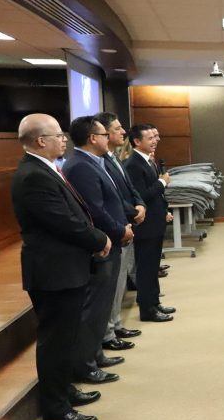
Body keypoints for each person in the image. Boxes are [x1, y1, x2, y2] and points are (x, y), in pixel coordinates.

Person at [11, 114, 110, 420]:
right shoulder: (33, 176)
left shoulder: (45, 169)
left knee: (66, 338)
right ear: (41, 141)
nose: (64, 139)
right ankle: (56, 411)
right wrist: (99, 239)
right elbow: (63, 222)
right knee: (55, 341)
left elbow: (72, 215)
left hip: (65, 268)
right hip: (54, 272)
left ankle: (64, 391)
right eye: (58, 135)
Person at [62, 117, 132, 384]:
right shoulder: (81, 166)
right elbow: (95, 210)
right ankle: (86, 365)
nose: (109, 138)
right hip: (102, 244)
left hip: (111, 239)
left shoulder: (94, 162)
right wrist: (119, 230)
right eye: (104, 134)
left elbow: (111, 200)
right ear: (93, 138)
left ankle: (96, 354)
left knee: (102, 306)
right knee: (94, 308)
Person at [93, 113, 146, 348]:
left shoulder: (113, 157)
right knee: (112, 284)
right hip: (115, 228)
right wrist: (133, 211)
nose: (123, 132)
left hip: (126, 223)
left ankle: (115, 324)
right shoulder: (99, 162)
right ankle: (108, 332)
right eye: (117, 129)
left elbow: (129, 188)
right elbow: (108, 199)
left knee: (121, 279)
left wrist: (139, 204)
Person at [123, 124, 175, 322]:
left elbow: (154, 196)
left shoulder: (148, 160)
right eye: (151, 138)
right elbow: (141, 196)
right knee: (146, 268)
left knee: (153, 266)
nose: (156, 140)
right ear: (137, 141)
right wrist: (162, 182)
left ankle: (154, 302)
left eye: (156, 136)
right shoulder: (133, 164)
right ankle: (147, 309)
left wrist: (164, 211)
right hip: (145, 225)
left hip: (155, 220)